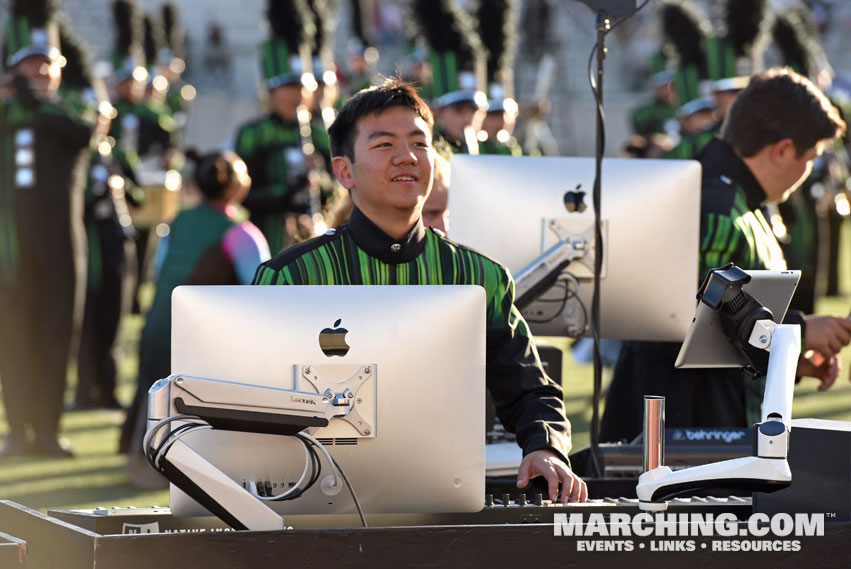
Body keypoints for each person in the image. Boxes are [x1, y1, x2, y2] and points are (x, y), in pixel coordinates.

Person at [252, 78, 587, 503]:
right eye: (384, 145)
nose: (407, 157)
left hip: (444, 498)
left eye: (419, 143)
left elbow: (526, 384)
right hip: (312, 497)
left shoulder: (480, 275)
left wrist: (544, 447)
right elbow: (254, 401)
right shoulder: (290, 276)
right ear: (344, 171)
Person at [601, 68, 851, 443]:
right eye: (810, 158)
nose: (807, 171)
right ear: (783, 150)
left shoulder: (740, 200)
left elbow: (727, 337)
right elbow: (690, 317)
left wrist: (787, 359)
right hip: (679, 444)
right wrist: (794, 330)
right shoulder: (716, 205)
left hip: (704, 425)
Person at [120, 150, 270, 482]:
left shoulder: (178, 221)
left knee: (155, 392)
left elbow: (159, 271)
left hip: (159, 321)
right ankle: (170, 468)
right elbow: (260, 288)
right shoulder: (241, 232)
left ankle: (141, 461)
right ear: (234, 186)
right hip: (200, 333)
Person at [0, 0, 108, 456]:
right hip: (10, 251)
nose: (41, 73)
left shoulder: (70, 111)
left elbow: (86, 133)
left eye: (48, 65)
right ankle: (17, 430)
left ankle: (47, 429)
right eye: (31, 65)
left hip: (61, 248)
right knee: (12, 338)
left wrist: (33, 102)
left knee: (54, 335)